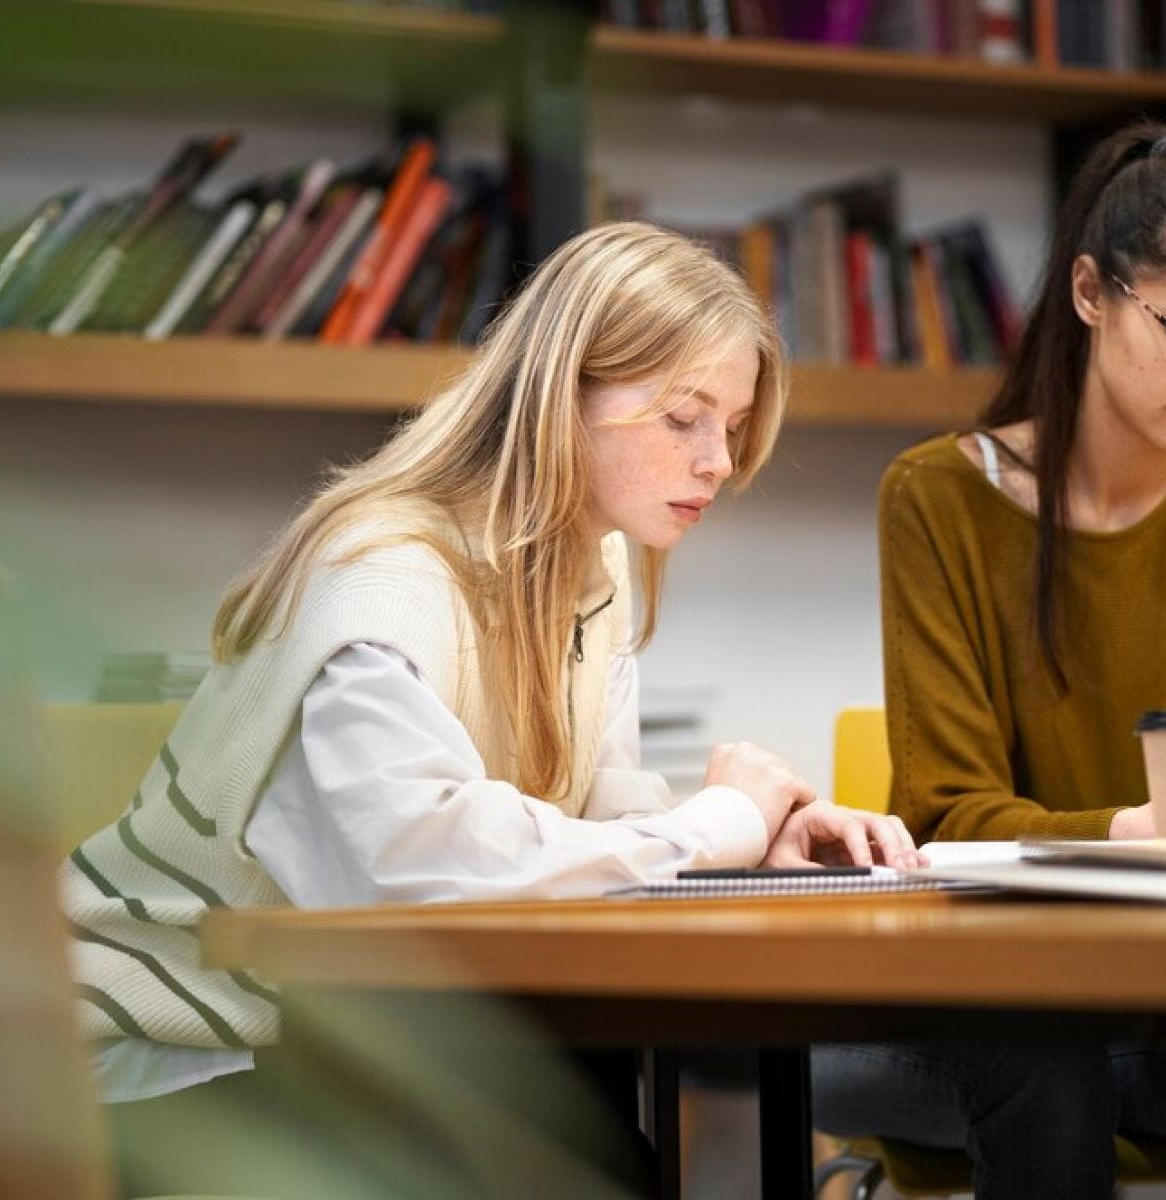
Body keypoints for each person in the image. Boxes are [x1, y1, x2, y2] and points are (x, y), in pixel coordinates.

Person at [60, 221, 921, 1197]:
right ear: (564, 397)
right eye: (686, 419)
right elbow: (419, 862)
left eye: (730, 426)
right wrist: (708, 826)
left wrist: (757, 844)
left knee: (598, 1147)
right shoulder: (382, 573)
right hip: (178, 1047)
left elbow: (591, 831)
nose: (718, 461)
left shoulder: (591, 569)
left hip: (346, 1032)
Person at [812, 123, 1166, 1198]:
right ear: (1090, 292)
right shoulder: (938, 498)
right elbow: (948, 820)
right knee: (1043, 1055)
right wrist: (1142, 829)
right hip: (970, 1012)